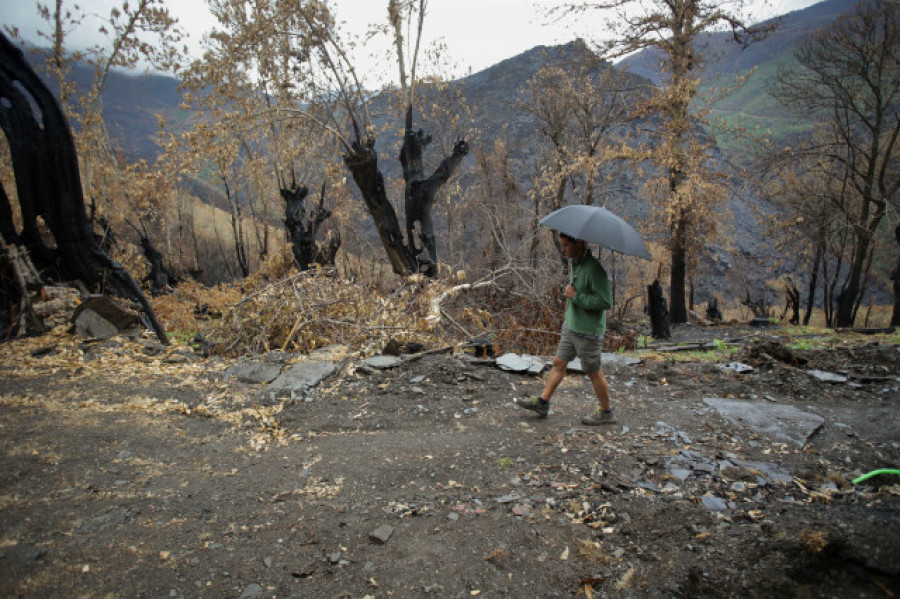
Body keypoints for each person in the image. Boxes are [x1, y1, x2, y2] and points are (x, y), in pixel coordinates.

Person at [515, 232, 616, 425]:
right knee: (559, 363)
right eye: (562, 245)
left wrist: (576, 296)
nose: (563, 249)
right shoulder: (575, 264)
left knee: (594, 371)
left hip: (587, 331)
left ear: (578, 243)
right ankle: (543, 403)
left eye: (566, 245)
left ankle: (606, 412)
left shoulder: (594, 269)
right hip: (571, 325)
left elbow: (605, 301)